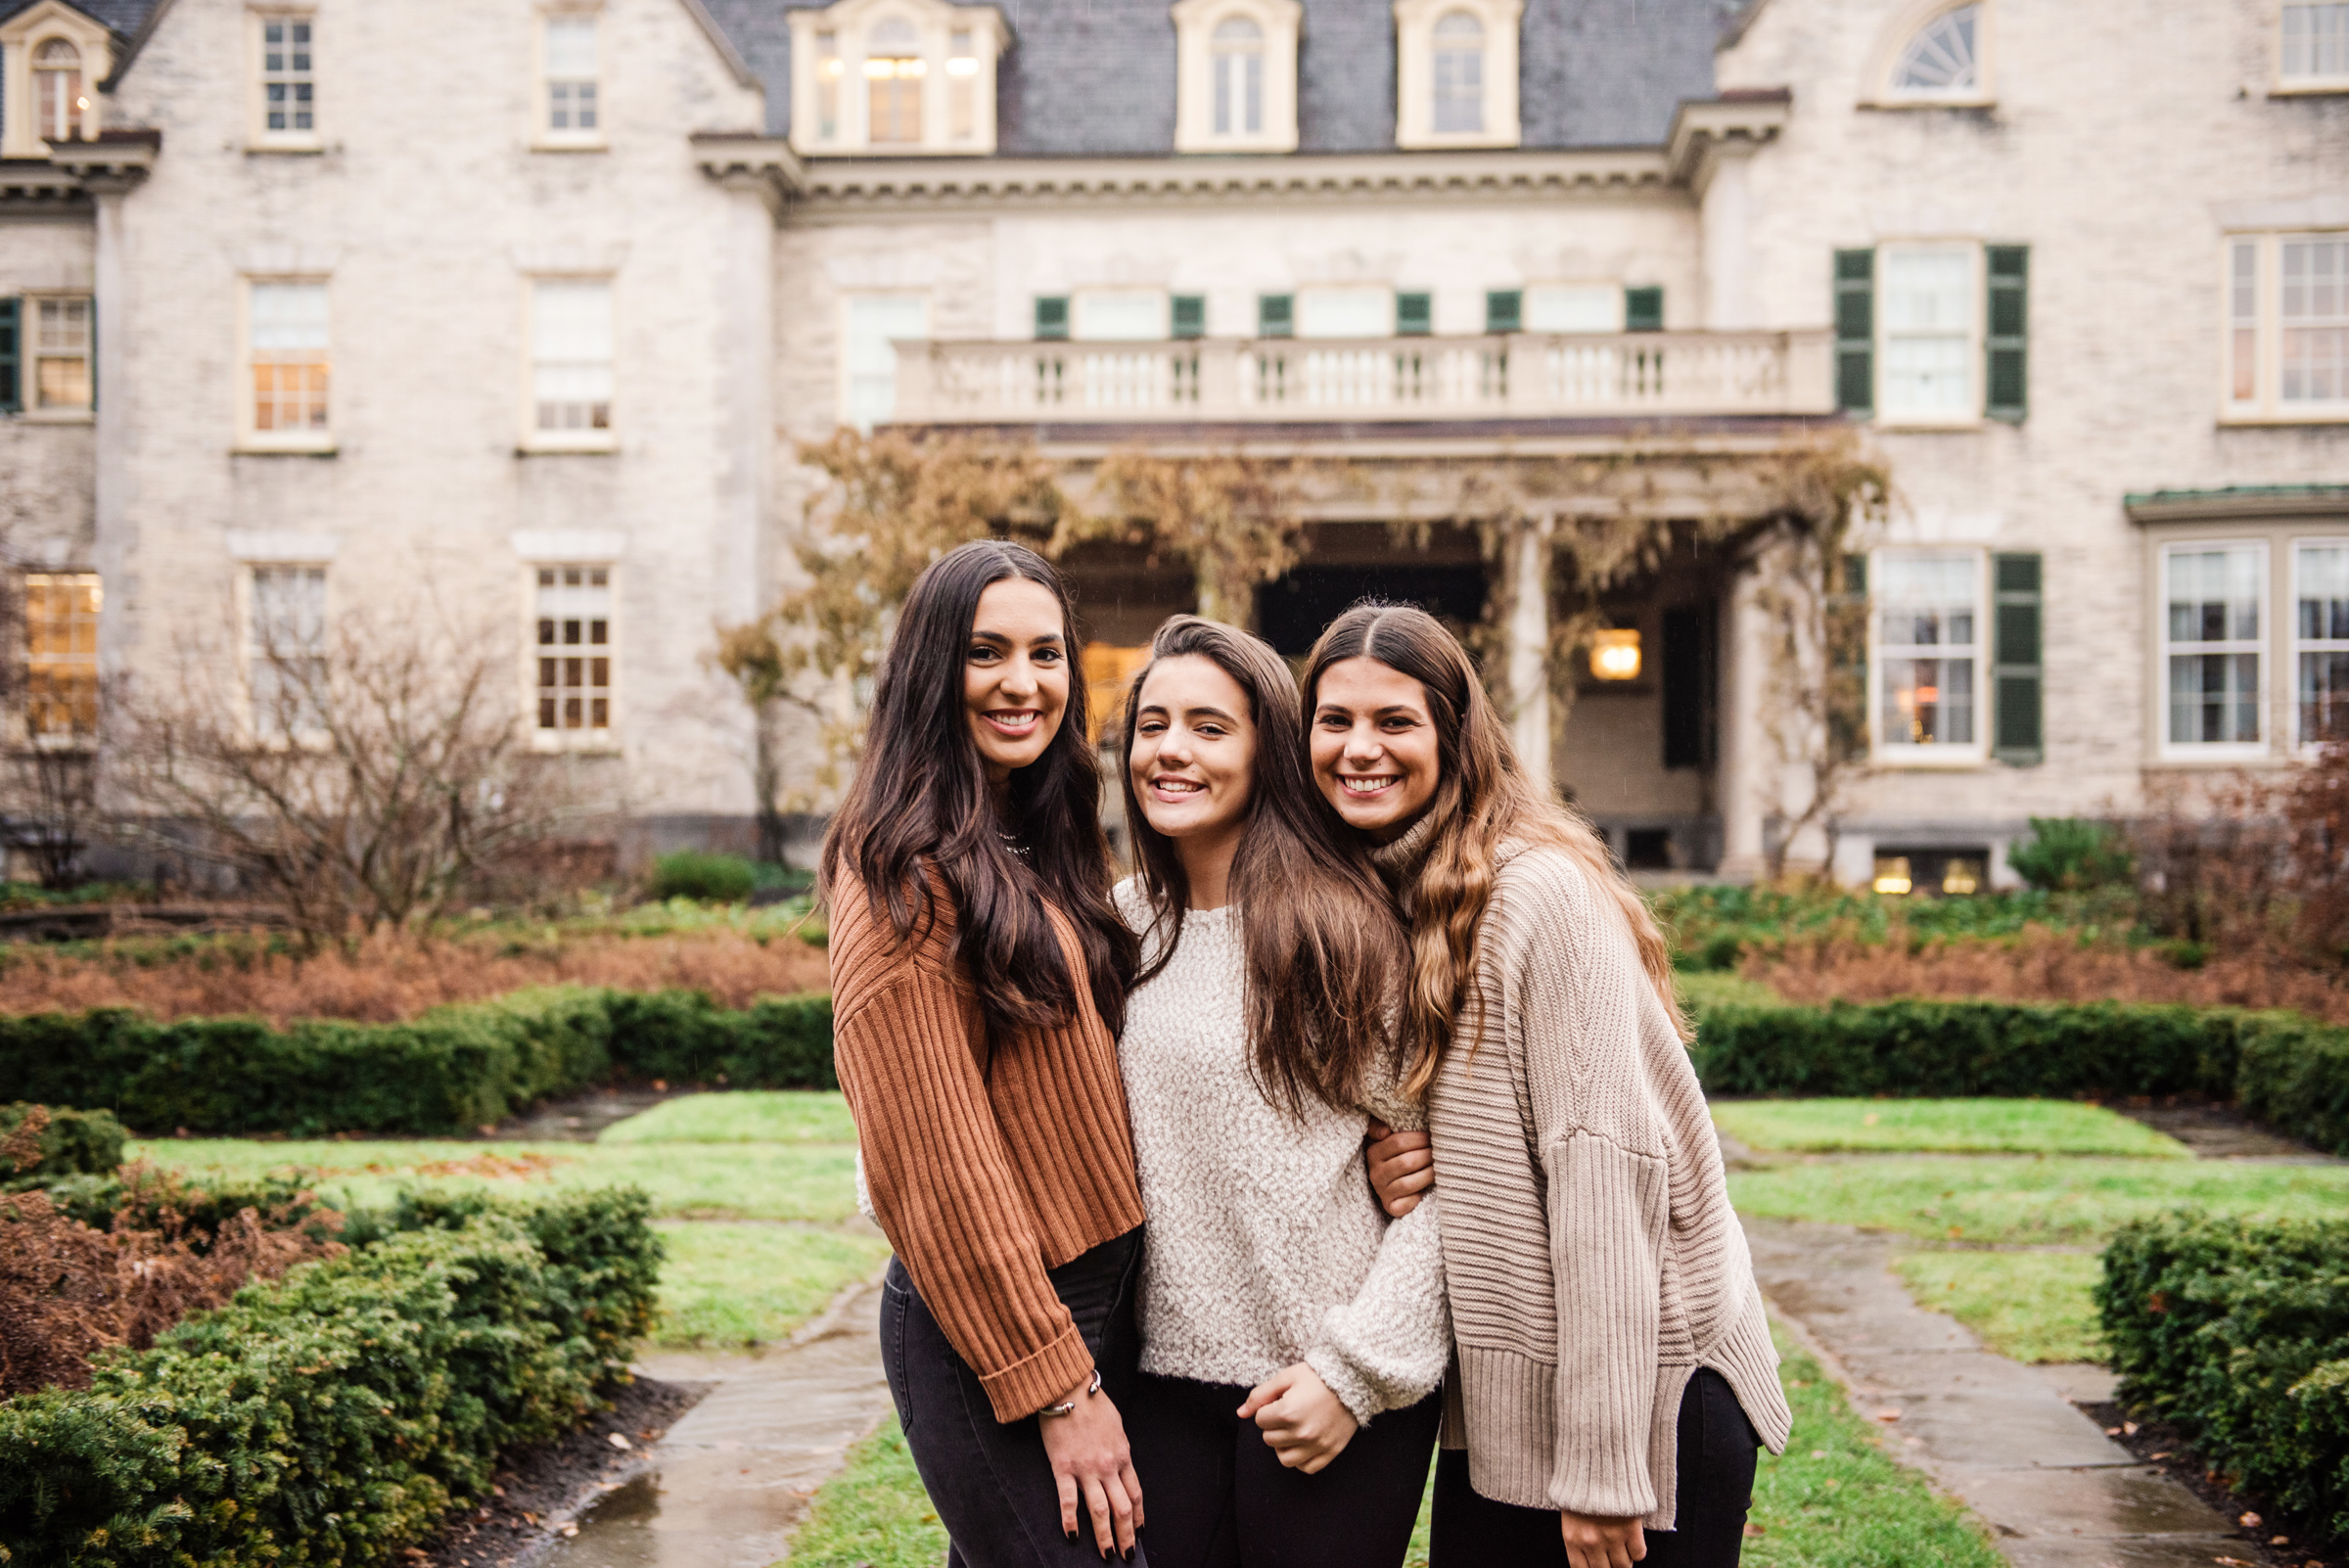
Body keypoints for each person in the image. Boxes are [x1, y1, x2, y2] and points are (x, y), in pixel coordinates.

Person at [1307, 603, 1791, 1568]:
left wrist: (1608, 1469)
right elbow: (1474, 1128)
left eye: (1394, 721)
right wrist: (1402, 1162)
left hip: (1643, 1404)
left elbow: (1604, 1177)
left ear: (1454, 735)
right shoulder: (1385, 897)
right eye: (1334, 720)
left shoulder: (1537, 893)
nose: (1360, 748)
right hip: (1511, 1414)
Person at [822, 539, 1150, 1567]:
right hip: (993, 1334)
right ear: (930, 671)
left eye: (1047, 654)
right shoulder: (902, 877)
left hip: (1084, 1309)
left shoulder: (1028, 837)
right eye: (987, 653)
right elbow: (937, 1168)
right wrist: (1057, 1384)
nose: (1024, 683)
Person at [1110, 616, 1449, 1568]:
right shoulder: (1120, 927)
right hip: (1157, 1388)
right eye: (1153, 724)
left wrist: (1354, 1377)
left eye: (1211, 727)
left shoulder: (1346, 930)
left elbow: (1445, 1191)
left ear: (1270, 749)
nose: (1172, 750)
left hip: (1330, 1390)